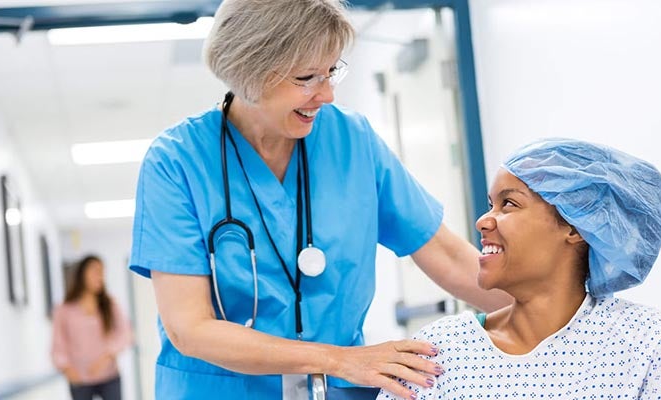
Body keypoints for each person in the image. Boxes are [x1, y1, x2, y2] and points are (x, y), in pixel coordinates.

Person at [128, 0, 510, 398]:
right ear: (249, 71)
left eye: (331, 72)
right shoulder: (177, 162)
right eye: (307, 77)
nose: (326, 94)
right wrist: (337, 359)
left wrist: (560, 307)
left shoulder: (352, 142)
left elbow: (448, 257)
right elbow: (190, 328)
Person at [378, 138, 661, 399]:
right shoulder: (437, 351)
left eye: (508, 204)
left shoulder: (645, 341)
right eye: (490, 205)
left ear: (576, 226)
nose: (483, 221)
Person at [52, 255, 133, 400]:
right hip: (79, 379)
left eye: (102, 272)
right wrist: (66, 369)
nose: (100, 276)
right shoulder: (64, 310)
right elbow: (58, 344)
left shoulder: (110, 305)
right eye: (95, 271)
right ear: (82, 274)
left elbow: (126, 334)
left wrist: (108, 356)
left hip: (109, 377)